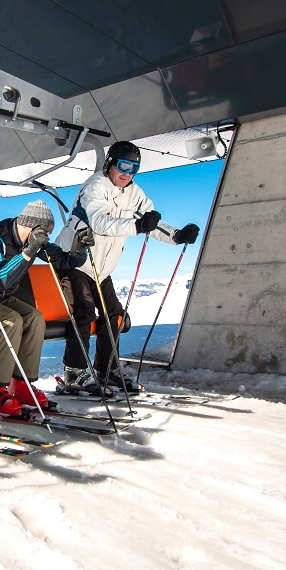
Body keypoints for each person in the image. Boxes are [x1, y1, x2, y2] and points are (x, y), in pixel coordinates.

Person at [53, 140, 200, 393]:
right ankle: (74, 373)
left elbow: (150, 221)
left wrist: (176, 236)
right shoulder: (95, 186)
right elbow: (99, 222)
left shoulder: (135, 193)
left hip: (102, 270)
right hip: (74, 262)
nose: (127, 174)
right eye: (123, 166)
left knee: (115, 317)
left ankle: (106, 370)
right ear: (110, 163)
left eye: (133, 169)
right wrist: (136, 226)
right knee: (85, 314)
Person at [0, 200, 89, 414]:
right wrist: (29, 250)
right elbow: (0, 278)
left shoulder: (33, 240)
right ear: (31, 226)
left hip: (2, 299)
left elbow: (62, 261)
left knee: (35, 318)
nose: (45, 238)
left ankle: (21, 384)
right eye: (44, 233)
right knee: (11, 320)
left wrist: (78, 250)